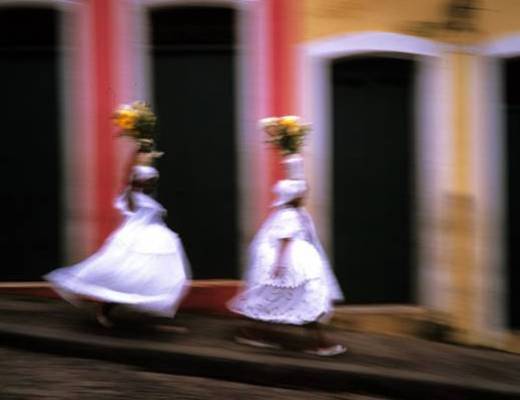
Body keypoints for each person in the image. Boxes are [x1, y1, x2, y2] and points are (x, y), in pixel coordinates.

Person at [45, 161, 191, 328]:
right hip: (132, 240)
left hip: (151, 239)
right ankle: (103, 310)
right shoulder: (131, 197)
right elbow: (129, 193)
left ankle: (129, 305)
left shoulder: (145, 198)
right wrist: (134, 168)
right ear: (140, 181)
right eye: (150, 180)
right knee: (120, 276)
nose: (153, 184)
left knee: (138, 277)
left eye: (154, 181)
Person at [229, 176, 346, 356]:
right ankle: (318, 343)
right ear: (294, 196)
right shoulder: (290, 215)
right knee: (305, 298)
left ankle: (255, 333)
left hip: (295, 260)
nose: (304, 196)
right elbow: (284, 240)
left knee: (282, 299)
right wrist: (280, 265)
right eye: (301, 194)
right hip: (294, 263)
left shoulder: (289, 213)